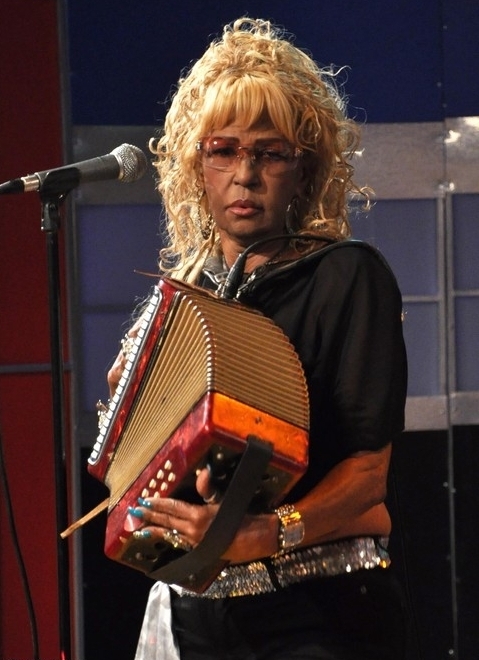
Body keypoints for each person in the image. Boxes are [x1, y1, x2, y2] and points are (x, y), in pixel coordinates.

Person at [107, 17, 409, 660]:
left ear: (304, 169)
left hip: (319, 609)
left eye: (270, 153)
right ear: (197, 165)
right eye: (224, 150)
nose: (245, 174)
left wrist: (270, 532)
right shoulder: (183, 294)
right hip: (194, 615)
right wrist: (131, 412)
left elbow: (369, 475)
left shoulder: (347, 276)